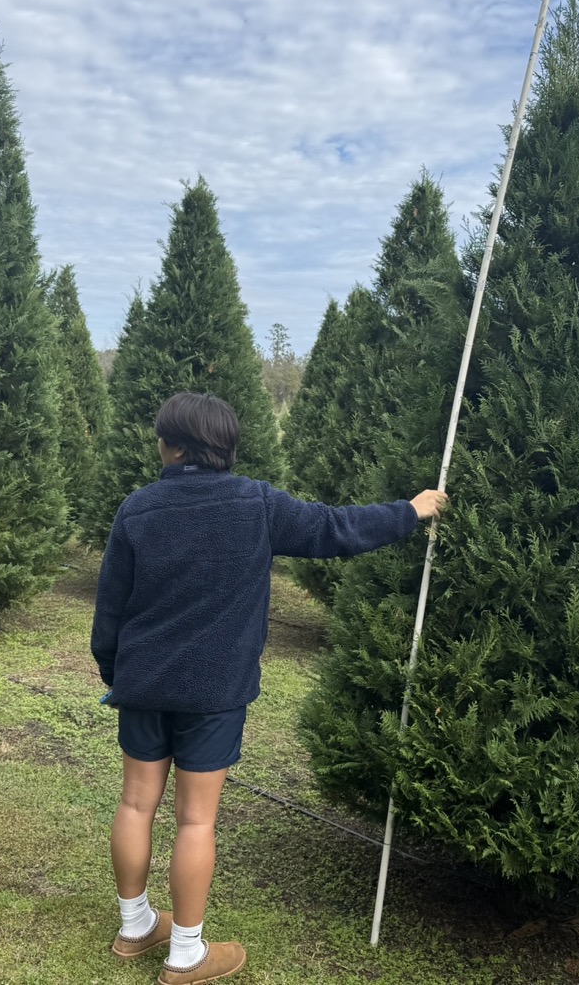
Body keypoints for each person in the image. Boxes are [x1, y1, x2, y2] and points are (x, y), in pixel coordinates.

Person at [91, 391, 447, 984]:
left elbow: (111, 606)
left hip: (143, 685)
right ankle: (185, 955)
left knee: (135, 803)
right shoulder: (257, 503)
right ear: (224, 447)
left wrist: (116, 672)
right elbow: (336, 528)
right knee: (194, 821)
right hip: (215, 691)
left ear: (173, 447)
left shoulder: (138, 508)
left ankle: (135, 928)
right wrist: (409, 511)